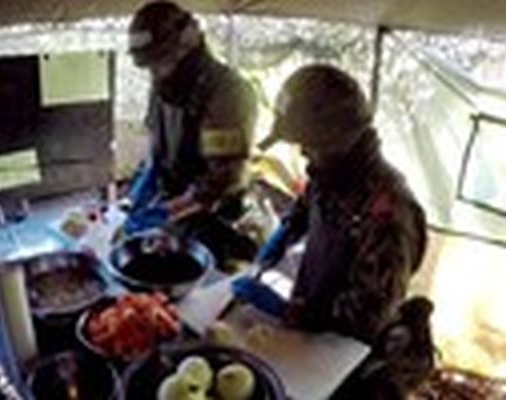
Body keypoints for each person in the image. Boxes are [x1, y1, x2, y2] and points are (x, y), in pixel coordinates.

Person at [232, 64, 434, 397]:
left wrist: (288, 309)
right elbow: (308, 204)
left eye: (308, 145)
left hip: (353, 362)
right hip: (312, 337)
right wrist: (284, 234)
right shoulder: (331, 172)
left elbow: (367, 316)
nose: (303, 154)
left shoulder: (389, 211)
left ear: (337, 140)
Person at [123, 1, 258, 264]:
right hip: (177, 204)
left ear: (187, 48)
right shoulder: (164, 84)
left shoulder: (227, 94)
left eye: (160, 61)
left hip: (214, 216)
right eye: (149, 65)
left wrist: (170, 211)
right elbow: (158, 142)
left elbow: (223, 177)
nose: (154, 72)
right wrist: (148, 177)